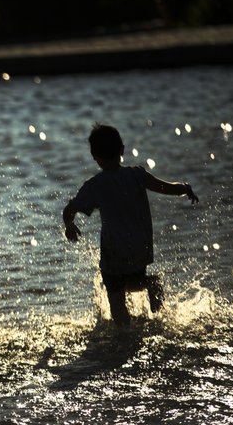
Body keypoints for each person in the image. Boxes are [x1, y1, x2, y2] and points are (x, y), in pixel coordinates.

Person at [62, 124, 199, 325]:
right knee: (135, 279)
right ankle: (159, 316)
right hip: (140, 247)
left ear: (94, 156)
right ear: (122, 150)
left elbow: (69, 210)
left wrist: (69, 225)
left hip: (114, 250)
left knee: (116, 296)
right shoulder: (136, 175)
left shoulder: (95, 185)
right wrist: (186, 188)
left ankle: (123, 334)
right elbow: (167, 187)